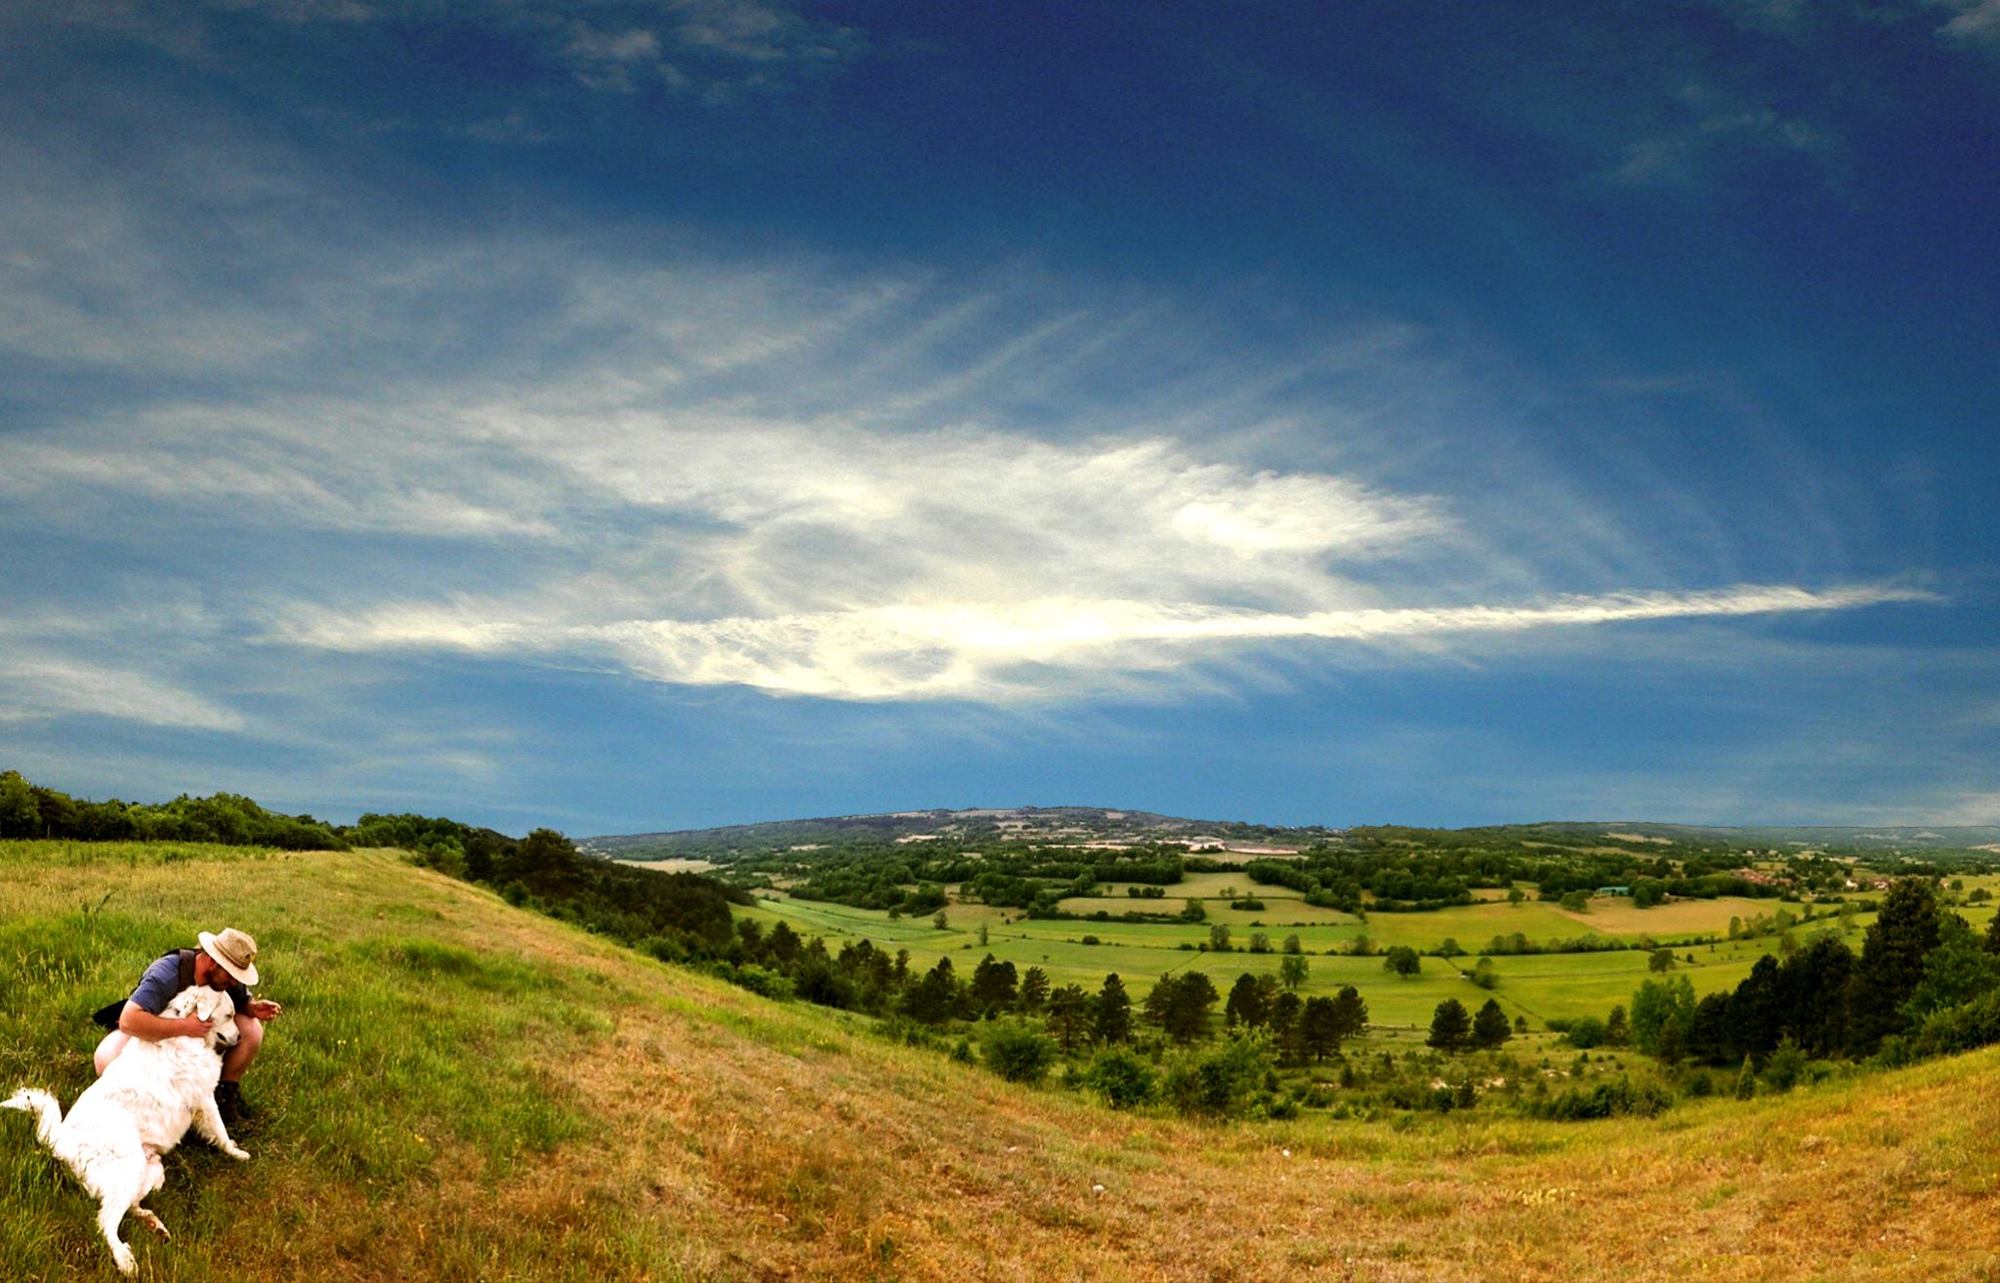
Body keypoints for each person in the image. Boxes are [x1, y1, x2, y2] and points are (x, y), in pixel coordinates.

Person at [93, 927, 282, 1125]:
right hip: (154, 1032)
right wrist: (184, 1027)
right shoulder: (167, 973)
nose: (235, 981)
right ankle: (149, 1103)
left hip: (197, 1041)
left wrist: (252, 1008)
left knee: (252, 1030)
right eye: (232, 974)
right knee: (106, 1059)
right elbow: (129, 1021)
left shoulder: (227, 980)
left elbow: (240, 1000)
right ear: (212, 961)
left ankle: (223, 1094)